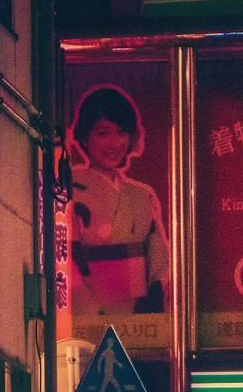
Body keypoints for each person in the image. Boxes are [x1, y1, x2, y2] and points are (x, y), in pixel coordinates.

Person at [68, 85, 169, 318]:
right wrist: (93, 312)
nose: (114, 143)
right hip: (92, 309)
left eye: (121, 132)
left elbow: (159, 260)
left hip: (139, 309)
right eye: (103, 133)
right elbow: (67, 263)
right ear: (85, 136)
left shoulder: (142, 195)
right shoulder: (70, 189)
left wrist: (155, 297)